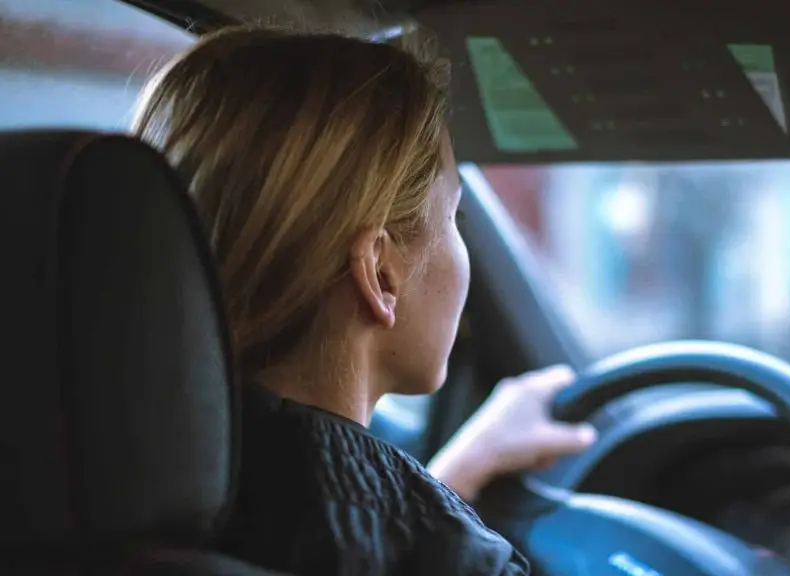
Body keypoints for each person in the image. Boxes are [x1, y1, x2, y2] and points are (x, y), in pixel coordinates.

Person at [132, 27, 597, 575]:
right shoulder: (457, 563)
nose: (461, 241)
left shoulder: (101, 482)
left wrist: (453, 477)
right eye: (455, 218)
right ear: (379, 273)